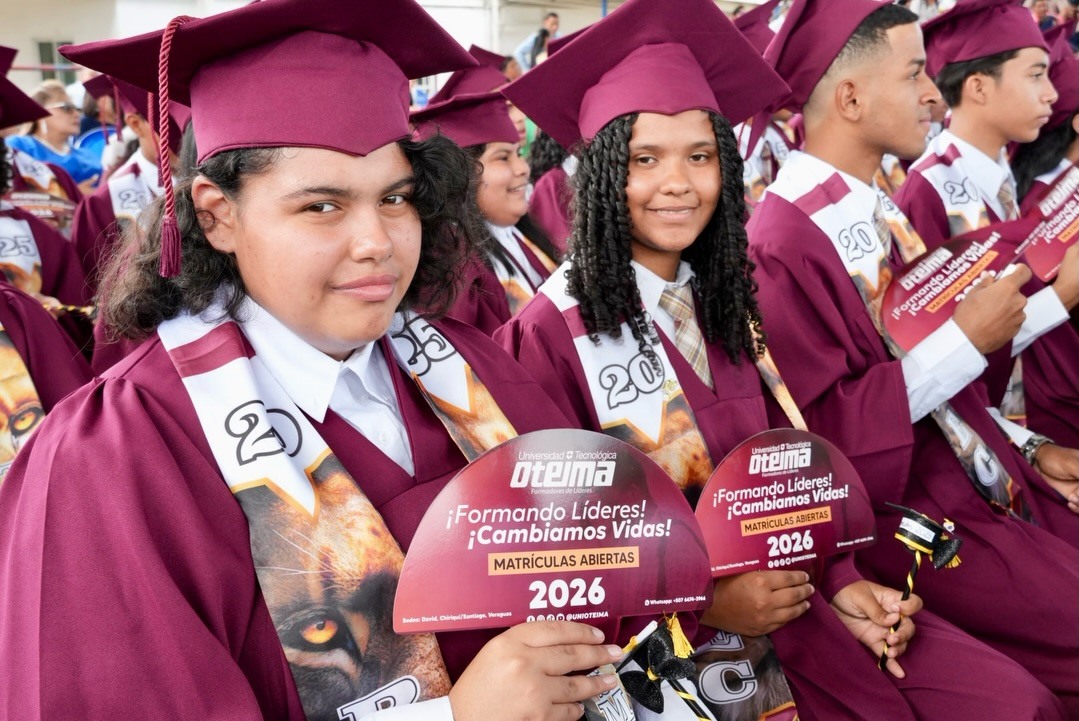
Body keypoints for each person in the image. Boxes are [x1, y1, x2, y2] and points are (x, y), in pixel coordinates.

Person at [0, 1, 631, 718]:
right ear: (216, 213)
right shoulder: (116, 458)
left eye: (395, 198)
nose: (377, 242)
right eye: (322, 207)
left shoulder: (472, 369)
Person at [500, 1, 1067, 720]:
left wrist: (840, 580)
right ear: (605, 172)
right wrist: (704, 600)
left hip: (799, 610)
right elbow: (554, 557)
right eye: (645, 159)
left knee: (1014, 700)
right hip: (675, 660)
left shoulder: (725, 300)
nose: (678, 183)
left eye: (700, 156)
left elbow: (784, 466)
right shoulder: (550, 333)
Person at [746, 0, 1078, 714]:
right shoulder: (782, 243)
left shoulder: (875, 209)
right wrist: (968, 340)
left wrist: (1028, 443)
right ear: (850, 99)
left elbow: (943, 390)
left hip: (979, 477)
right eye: (913, 75)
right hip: (908, 520)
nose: (934, 94)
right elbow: (825, 436)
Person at [893, 0, 1079, 497]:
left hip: (1015, 429)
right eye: (1035, 75)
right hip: (962, 453)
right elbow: (946, 346)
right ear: (978, 87)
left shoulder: (997, 178)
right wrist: (1063, 295)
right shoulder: (928, 192)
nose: (1052, 93)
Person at [412, 90, 560, 335]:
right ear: (459, 175)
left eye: (519, 154)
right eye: (503, 158)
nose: (523, 168)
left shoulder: (519, 235)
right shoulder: (452, 268)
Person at [71, 73, 191, 291]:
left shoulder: (219, 176)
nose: (191, 141)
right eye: (173, 129)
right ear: (136, 125)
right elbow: (97, 288)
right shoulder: (105, 202)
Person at [0, 46, 80, 233]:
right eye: (65, 107)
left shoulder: (49, 175)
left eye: (75, 107)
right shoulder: (22, 145)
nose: (76, 114)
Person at [5, 80, 101, 192]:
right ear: (40, 111)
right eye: (66, 108)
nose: (76, 114)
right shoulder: (19, 146)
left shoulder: (87, 155)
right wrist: (73, 194)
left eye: (77, 109)